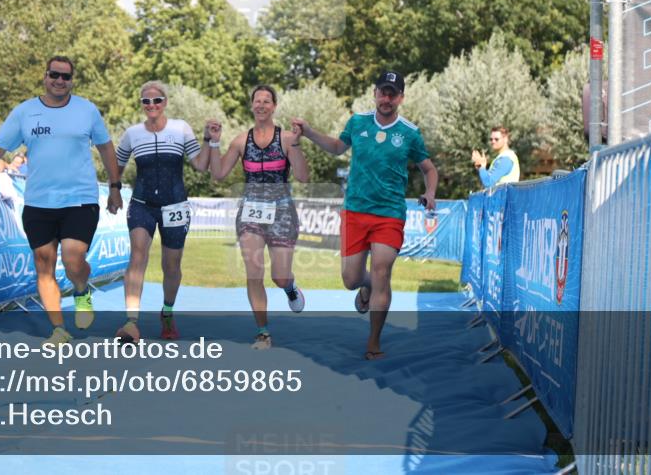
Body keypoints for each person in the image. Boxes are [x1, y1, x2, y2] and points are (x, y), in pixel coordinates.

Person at [0, 56, 123, 346]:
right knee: (44, 264)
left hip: (80, 199)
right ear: (45, 76)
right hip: (39, 201)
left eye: (66, 77)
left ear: (72, 80)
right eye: (55, 75)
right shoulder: (25, 112)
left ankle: (81, 290)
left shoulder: (86, 110)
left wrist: (115, 186)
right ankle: (58, 329)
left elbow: (105, 146)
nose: (60, 81)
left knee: (74, 260)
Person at [292, 70, 438, 360]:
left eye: (392, 94)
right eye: (382, 92)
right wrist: (308, 132)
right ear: (374, 93)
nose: (387, 98)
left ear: (401, 98)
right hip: (355, 211)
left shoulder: (410, 132)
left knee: (383, 270)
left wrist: (430, 191)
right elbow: (336, 148)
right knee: (350, 278)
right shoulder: (357, 123)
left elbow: (429, 169)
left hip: (389, 214)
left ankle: (373, 342)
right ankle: (366, 288)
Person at [207, 85, 309, 350]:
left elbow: (302, 176)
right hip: (250, 212)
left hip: (282, 212)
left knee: (279, 276)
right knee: (254, 272)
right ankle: (263, 333)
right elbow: (218, 175)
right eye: (257, 101)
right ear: (252, 106)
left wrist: (297, 143)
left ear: (274, 106)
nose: (262, 105)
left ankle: (290, 288)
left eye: (267, 101)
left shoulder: (286, 138)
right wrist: (214, 142)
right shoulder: (241, 141)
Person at [114, 81, 211, 343]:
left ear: (165, 102)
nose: (152, 106)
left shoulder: (180, 128)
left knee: (171, 265)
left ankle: (167, 311)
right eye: (146, 102)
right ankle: (131, 322)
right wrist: (114, 190)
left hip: (175, 205)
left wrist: (209, 141)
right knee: (137, 256)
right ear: (142, 105)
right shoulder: (132, 133)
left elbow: (200, 166)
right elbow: (118, 166)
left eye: (156, 101)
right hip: (142, 204)